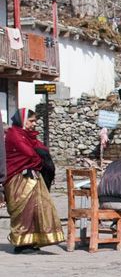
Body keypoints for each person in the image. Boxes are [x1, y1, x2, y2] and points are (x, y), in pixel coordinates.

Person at [3, 108, 64, 253]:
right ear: (22, 120)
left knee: (38, 209)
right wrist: (40, 161)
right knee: (24, 211)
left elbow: (40, 149)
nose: (34, 124)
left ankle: (33, 240)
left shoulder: (27, 136)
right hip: (17, 178)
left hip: (31, 177)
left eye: (35, 121)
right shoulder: (15, 135)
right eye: (31, 121)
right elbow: (30, 154)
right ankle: (21, 244)